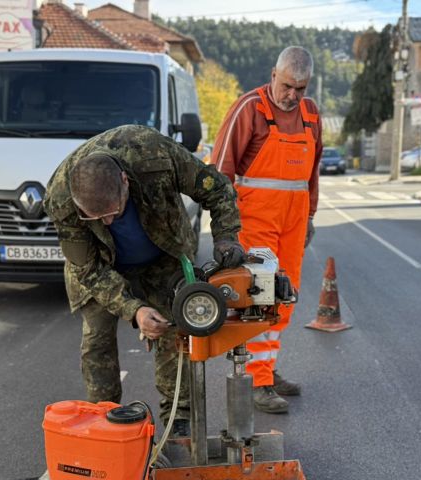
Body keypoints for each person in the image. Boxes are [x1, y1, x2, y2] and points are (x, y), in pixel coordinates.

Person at [44, 125, 244, 434]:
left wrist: (226, 238)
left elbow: (217, 189)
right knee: (97, 341)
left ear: (125, 182)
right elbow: (87, 270)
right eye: (95, 219)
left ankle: (179, 421)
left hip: (162, 253)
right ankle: (107, 422)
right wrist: (133, 310)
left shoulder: (155, 154)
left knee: (173, 330)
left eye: (112, 213)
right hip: (101, 266)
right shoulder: (60, 198)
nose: (107, 223)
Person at [212, 46, 323, 414]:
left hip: (293, 221)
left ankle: (268, 370)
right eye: (288, 86)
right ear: (273, 75)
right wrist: (223, 230)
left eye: (301, 89)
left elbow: (312, 174)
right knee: (259, 299)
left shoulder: (311, 115)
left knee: (285, 298)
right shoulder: (250, 109)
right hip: (254, 220)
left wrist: (309, 217)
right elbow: (219, 172)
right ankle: (257, 381)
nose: (293, 96)